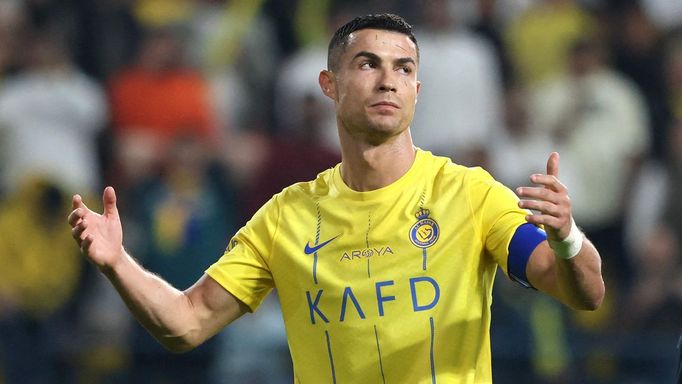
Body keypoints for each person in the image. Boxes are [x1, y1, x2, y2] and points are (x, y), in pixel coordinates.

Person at [68, 13, 605, 383]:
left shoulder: (469, 193)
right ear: (329, 83)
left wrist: (567, 238)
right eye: (368, 64)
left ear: (418, 90)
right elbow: (185, 323)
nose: (388, 81)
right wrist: (117, 263)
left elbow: (583, 292)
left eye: (405, 69)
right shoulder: (286, 216)